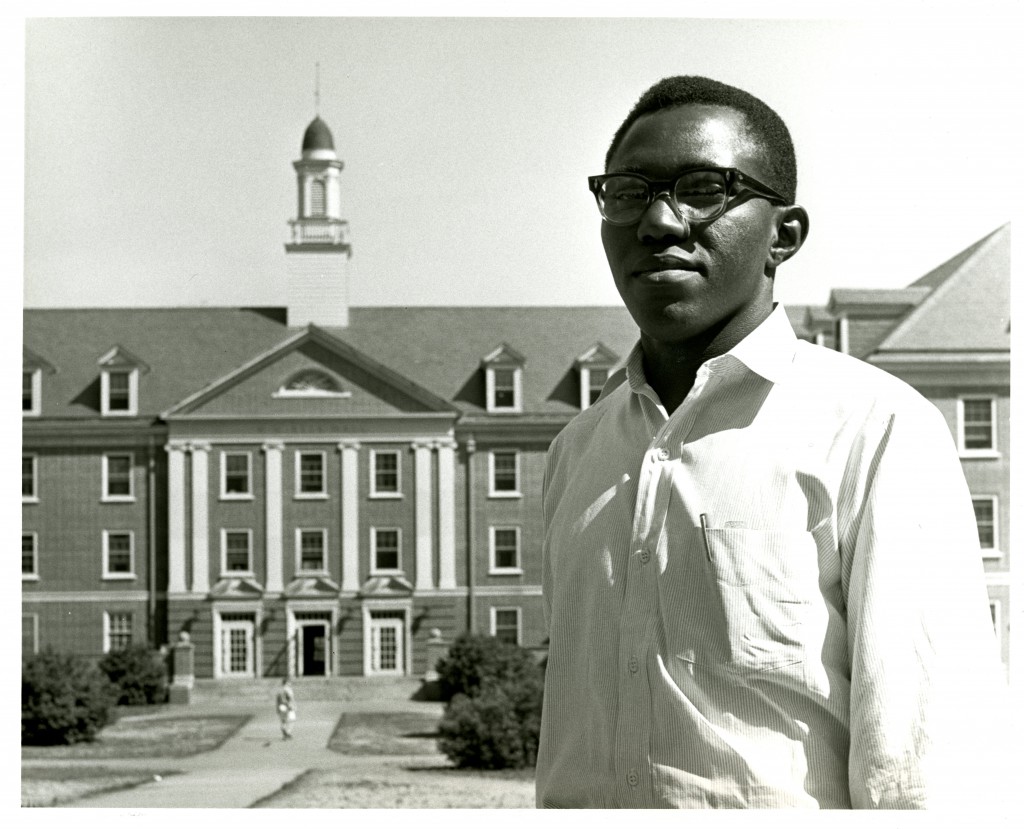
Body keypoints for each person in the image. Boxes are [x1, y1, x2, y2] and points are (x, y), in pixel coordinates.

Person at [535, 75, 1008, 809]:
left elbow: (923, 771)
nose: (658, 222)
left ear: (782, 235)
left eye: (703, 188)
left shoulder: (875, 429)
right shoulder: (576, 453)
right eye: (628, 191)